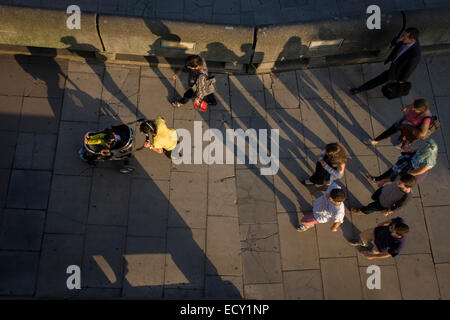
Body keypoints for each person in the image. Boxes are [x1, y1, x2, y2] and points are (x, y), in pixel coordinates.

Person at [350, 28, 421, 94]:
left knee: (379, 80)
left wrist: (402, 80)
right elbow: (394, 42)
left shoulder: (415, 54)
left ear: (412, 40)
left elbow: (410, 68)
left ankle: (360, 89)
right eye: (403, 35)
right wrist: (398, 39)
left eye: (404, 37)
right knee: (381, 79)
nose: (402, 38)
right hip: (394, 63)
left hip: (397, 70)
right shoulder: (404, 39)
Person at [363, 138, 438, 187]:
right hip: (408, 160)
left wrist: (409, 173)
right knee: (393, 169)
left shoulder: (428, 163)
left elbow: (419, 171)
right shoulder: (425, 149)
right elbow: (415, 150)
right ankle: (378, 179)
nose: (424, 146)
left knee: (397, 177)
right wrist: (409, 149)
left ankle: (383, 182)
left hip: (410, 168)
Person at [363, 98, 432, 148]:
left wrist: (407, 126)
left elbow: (422, 134)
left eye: (415, 110)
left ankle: (402, 144)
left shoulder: (426, 119)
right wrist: (406, 107)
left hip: (408, 127)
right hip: (404, 121)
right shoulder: (418, 102)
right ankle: (375, 140)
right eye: (413, 108)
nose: (413, 109)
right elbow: (412, 105)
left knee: (401, 137)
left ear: (421, 110)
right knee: (391, 130)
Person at [351, 174, 415, 216]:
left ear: (407, 186)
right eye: (399, 181)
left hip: (384, 203)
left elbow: (397, 207)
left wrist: (388, 211)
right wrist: (383, 181)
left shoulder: (405, 197)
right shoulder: (401, 177)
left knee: (371, 207)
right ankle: (373, 202)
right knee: (374, 197)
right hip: (382, 191)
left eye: (400, 183)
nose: (397, 182)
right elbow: (393, 178)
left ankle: (362, 211)